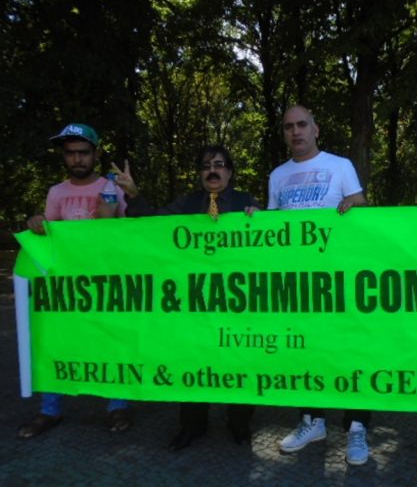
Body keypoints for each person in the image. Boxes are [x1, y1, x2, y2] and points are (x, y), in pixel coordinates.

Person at [113, 145, 259, 451]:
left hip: (236, 302)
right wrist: (134, 194)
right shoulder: (187, 203)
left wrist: (261, 220)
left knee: (239, 361)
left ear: (230, 172)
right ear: (200, 174)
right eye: (206, 166)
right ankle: (192, 425)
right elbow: (152, 226)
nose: (213, 170)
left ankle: (240, 423)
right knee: (193, 361)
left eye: (219, 165)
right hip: (194, 303)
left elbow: (273, 245)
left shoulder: (246, 202)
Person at [269, 105, 370, 465]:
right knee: (305, 353)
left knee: (350, 353)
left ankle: (357, 427)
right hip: (298, 286)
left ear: (315, 128)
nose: (295, 132)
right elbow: (272, 231)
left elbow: (361, 206)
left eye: (301, 125)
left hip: (340, 282)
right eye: (288, 127)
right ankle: (312, 421)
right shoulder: (277, 176)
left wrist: (356, 202)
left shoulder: (340, 165)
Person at [18, 123, 131, 438]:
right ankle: (49, 410)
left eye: (83, 152)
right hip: (66, 288)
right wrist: (38, 224)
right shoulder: (57, 192)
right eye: (70, 153)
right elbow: (49, 238)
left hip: (106, 283)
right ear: (64, 157)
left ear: (95, 154)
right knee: (56, 342)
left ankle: (117, 406)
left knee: (111, 343)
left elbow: (130, 233)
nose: (77, 159)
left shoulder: (113, 187)